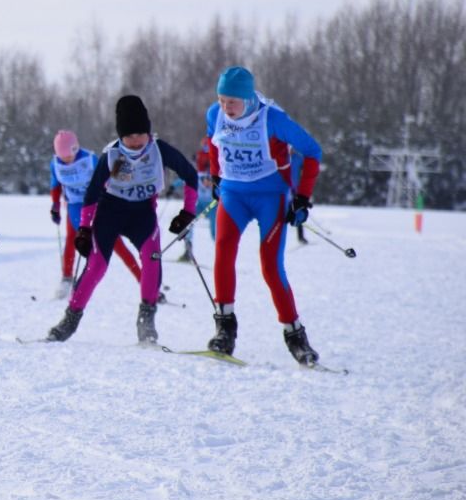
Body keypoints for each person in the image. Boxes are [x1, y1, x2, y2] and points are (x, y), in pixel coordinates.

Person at [47, 96, 198, 345]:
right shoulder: (113, 154)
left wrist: (188, 213)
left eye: (141, 133)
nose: (137, 140)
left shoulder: (158, 149)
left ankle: (146, 321)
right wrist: (84, 229)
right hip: (110, 213)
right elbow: (92, 193)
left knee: (152, 258)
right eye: (130, 136)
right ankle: (69, 321)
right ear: (121, 136)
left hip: (142, 215)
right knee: (96, 266)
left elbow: (190, 175)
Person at [205, 66, 323, 365]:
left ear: (247, 98)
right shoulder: (214, 115)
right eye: (221, 99)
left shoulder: (273, 118)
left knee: (271, 266)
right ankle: (225, 328)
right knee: (222, 253)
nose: (225, 108)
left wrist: (302, 198)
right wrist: (217, 177)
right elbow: (213, 143)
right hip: (233, 195)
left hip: (270, 197)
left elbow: (312, 151)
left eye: (232, 101)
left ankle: (295, 335)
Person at [49, 130, 144, 299]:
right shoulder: (56, 164)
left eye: (68, 156)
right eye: (62, 157)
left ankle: (143, 280)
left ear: (75, 148)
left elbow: (110, 178)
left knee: (116, 244)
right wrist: (55, 206)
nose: (66, 160)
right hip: (73, 206)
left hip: (96, 204)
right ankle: (67, 278)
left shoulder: (89, 159)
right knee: (72, 241)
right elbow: (55, 185)